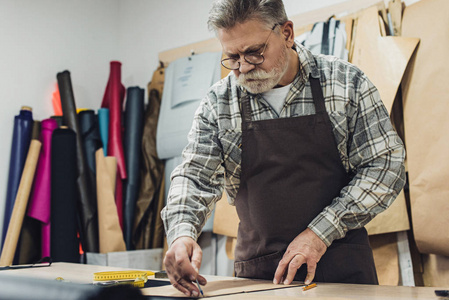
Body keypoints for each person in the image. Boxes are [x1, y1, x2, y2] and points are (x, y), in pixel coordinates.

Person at [161, 0, 406, 297]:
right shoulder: (219, 103)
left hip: (344, 271)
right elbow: (194, 177)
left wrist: (320, 232)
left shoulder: (344, 83)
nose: (244, 67)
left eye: (254, 52)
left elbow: (385, 165)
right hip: (260, 276)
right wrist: (181, 234)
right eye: (233, 57)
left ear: (287, 33)